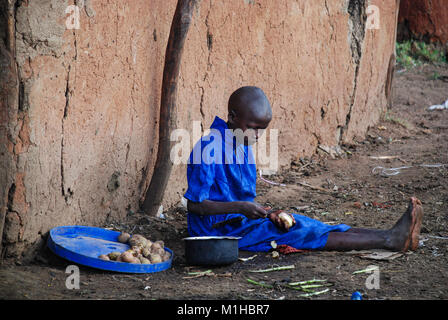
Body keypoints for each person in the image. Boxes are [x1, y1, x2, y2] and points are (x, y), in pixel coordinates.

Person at [184, 86, 424, 252]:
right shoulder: (209, 149)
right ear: (233, 117)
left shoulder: (241, 141)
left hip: (239, 222)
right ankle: (389, 240)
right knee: (301, 234)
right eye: (253, 127)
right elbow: (195, 205)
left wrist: (268, 212)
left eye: (262, 130)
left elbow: (239, 203)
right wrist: (242, 208)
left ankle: (387, 234)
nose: (257, 135)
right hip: (218, 234)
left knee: (307, 225)